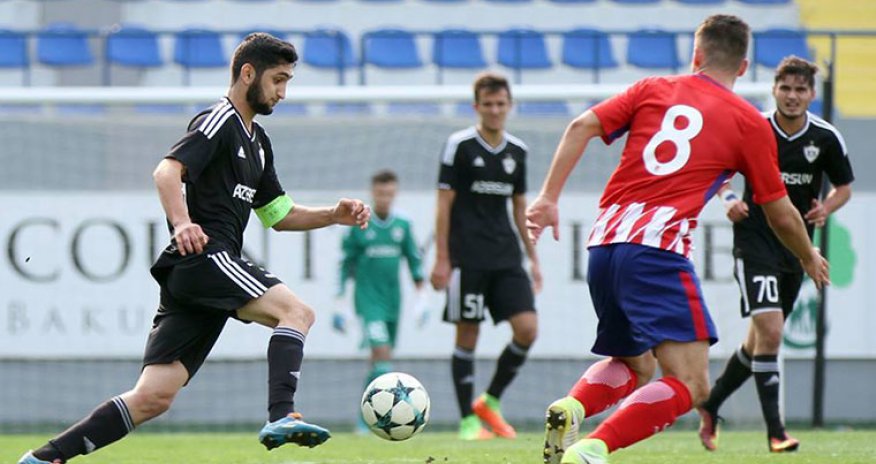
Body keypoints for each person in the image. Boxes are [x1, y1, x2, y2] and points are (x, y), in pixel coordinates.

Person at [18, 33, 371, 464]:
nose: (282, 91)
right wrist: (183, 223)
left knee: (153, 397)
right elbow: (166, 172)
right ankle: (281, 414)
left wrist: (333, 214)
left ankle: (41, 459)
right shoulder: (219, 119)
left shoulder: (258, 142)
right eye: (278, 80)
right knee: (297, 313)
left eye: (288, 81)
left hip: (197, 276)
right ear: (248, 73)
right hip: (208, 257)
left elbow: (277, 214)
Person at [526, 15, 830, 464]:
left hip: (605, 244)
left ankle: (572, 408)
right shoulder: (749, 122)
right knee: (692, 384)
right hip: (656, 251)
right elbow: (779, 210)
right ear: (744, 67)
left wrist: (549, 197)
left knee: (636, 364)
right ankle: (592, 449)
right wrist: (807, 255)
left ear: (696, 55)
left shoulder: (652, 88)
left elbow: (580, 127)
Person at [698, 56, 854, 453]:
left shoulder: (826, 138)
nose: (792, 96)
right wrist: (729, 196)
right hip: (753, 243)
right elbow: (716, 171)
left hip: (796, 248)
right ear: (774, 90)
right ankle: (777, 433)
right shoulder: (753, 129)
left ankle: (711, 404)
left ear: (812, 95)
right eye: (785, 88)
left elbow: (843, 188)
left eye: (801, 90)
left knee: (758, 344)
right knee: (771, 332)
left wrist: (827, 208)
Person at [430, 72, 542, 441]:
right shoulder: (459, 146)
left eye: (501, 104)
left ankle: (489, 401)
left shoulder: (517, 151)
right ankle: (467, 421)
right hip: (468, 257)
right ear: (476, 106)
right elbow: (444, 204)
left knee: (527, 329)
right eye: (488, 104)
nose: (495, 110)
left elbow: (519, 207)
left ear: (509, 106)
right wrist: (443, 258)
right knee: (468, 335)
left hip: (507, 256)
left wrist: (533, 258)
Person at [334, 169, 425, 432]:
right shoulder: (360, 225)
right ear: (373, 193)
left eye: (390, 193)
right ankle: (372, 419)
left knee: (379, 361)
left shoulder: (403, 226)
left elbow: (414, 261)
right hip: (368, 301)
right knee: (382, 357)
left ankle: (366, 415)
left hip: (393, 301)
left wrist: (422, 299)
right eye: (381, 193)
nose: (385, 198)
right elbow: (345, 264)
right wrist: (340, 303)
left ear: (395, 194)